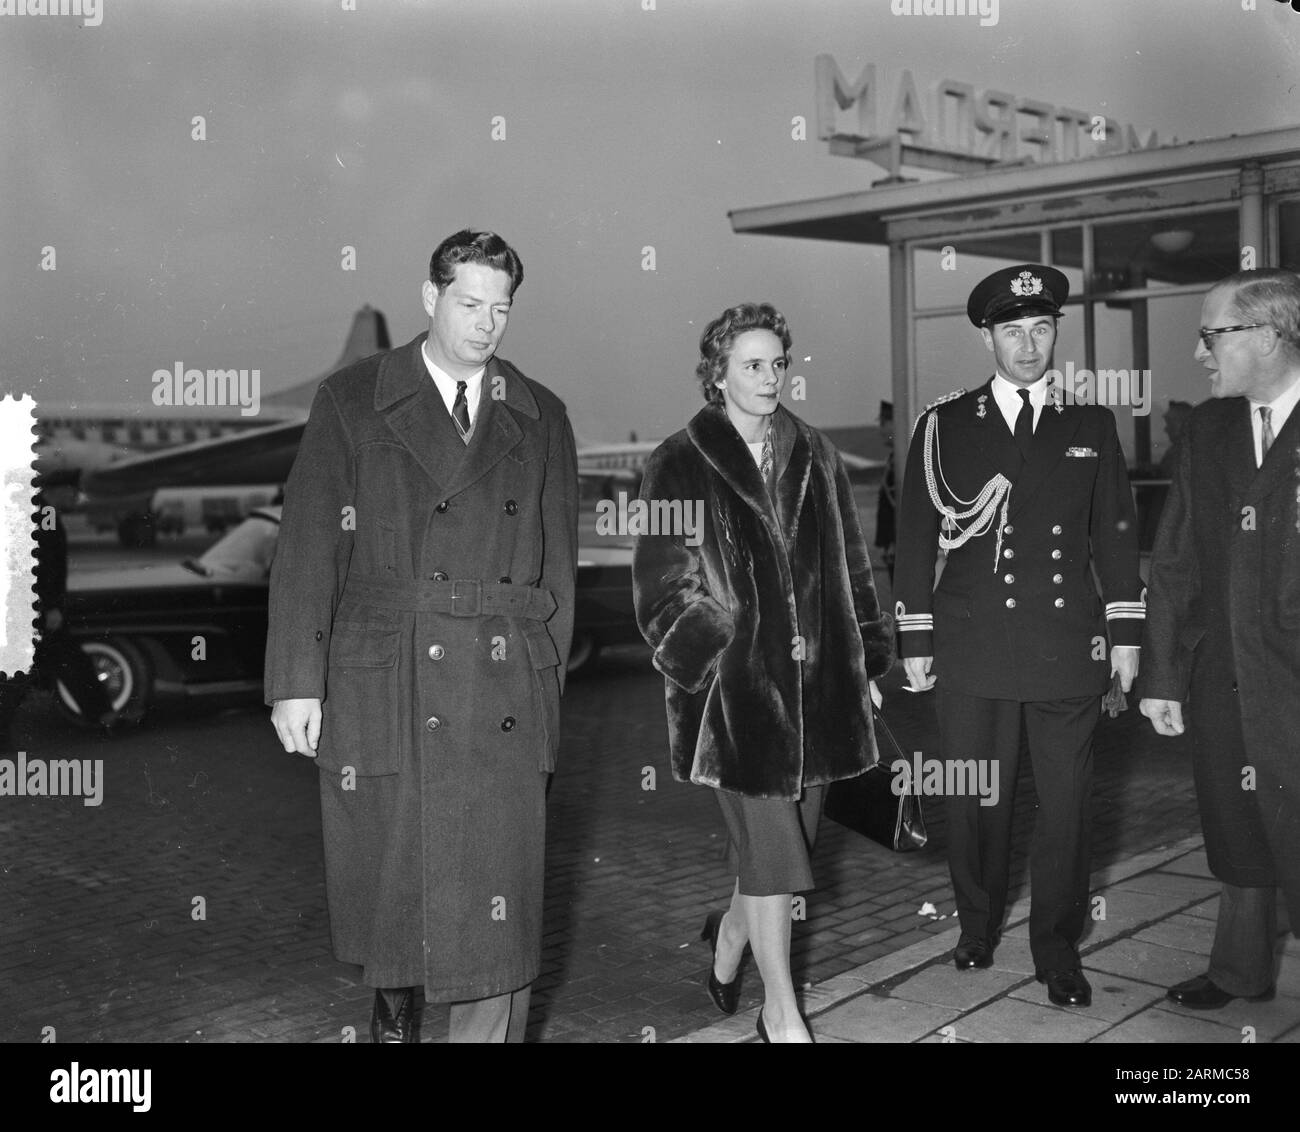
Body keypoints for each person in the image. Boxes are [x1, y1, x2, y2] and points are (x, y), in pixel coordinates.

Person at [265, 229, 578, 1044]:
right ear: (430, 296)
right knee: (398, 904)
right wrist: (297, 678)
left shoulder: (541, 415)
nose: (486, 324)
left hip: (503, 682)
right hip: (389, 676)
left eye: (501, 308)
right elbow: (307, 545)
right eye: (469, 303)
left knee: (499, 924)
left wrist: (546, 698)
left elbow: (559, 581)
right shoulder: (353, 397)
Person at [632, 302, 894, 1043]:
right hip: (734, 701)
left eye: (779, 363)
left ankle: (730, 936)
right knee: (778, 858)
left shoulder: (813, 451)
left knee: (786, 853)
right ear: (716, 374)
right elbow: (661, 590)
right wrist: (726, 663)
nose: (771, 377)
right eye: (752, 364)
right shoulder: (677, 461)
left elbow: (851, 563)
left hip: (820, 694)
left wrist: (865, 658)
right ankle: (781, 1012)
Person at [893, 265, 1144, 1008]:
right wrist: (915, 640)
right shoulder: (944, 425)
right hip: (972, 647)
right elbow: (912, 539)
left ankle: (1059, 948)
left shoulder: (1089, 423)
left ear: (1055, 332)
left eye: (1041, 329)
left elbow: (1117, 533)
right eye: (1013, 330)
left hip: (1067, 646)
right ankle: (976, 926)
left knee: (1067, 807)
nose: (1029, 344)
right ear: (986, 336)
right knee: (977, 801)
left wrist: (1124, 633)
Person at [1139, 268, 1300, 1010]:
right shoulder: (1207, 429)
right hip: (1224, 680)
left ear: (1267, 337)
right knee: (1236, 826)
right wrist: (1165, 678)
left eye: (1213, 335)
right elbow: (1173, 563)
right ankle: (1240, 970)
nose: (1201, 353)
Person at [0, 469, 115, 749]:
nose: (76, 497)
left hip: (26, 607)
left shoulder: (33, 511)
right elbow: (45, 566)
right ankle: (103, 717)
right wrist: (50, 606)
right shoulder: (44, 516)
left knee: (64, 662)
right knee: (27, 675)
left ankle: (103, 716)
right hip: (36, 608)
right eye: (72, 492)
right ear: (58, 490)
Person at [875, 400, 897, 582]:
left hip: (898, 544)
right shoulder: (894, 458)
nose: (881, 430)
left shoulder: (901, 460)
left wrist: (894, 541)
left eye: (884, 422)